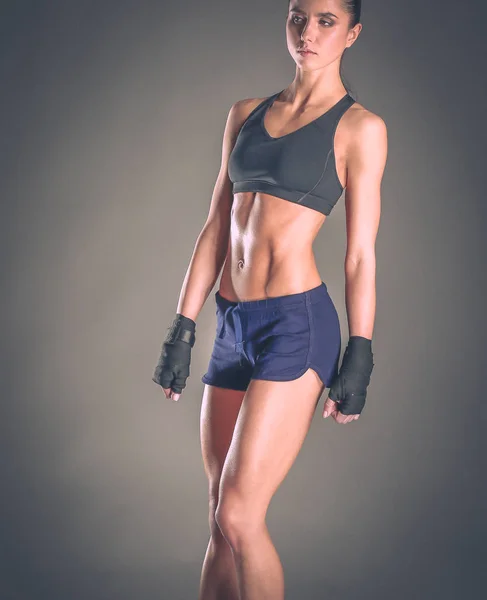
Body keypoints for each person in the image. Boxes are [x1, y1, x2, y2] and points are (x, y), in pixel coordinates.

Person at [152, 0, 388, 597]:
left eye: (326, 21)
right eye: (298, 17)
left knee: (240, 515)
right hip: (232, 324)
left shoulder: (360, 128)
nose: (308, 32)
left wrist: (360, 352)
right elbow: (215, 227)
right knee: (219, 518)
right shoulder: (246, 113)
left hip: (295, 325)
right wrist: (182, 329)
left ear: (352, 33)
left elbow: (359, 254)